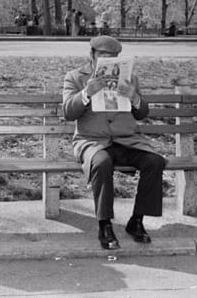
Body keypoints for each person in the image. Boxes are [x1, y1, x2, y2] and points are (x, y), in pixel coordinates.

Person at [62, 35, 166, 250]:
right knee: (102, 163)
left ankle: (137, 221)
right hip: (93, 141)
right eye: (103, 56)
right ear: (92, 55)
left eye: (113, 57)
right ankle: (104, 224)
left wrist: (135, 98)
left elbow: (142, 113)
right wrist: (86, 93)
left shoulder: (129, 78)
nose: (107, 60)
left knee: (155, 162)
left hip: (127, 140)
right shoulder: (75, 77)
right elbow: (68, 113)